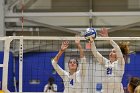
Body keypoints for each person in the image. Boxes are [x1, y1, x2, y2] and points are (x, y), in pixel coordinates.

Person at [89, 28, 129, 93]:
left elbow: (117, 48)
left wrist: (108, 38)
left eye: (113, 52)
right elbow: (95, 53)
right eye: (110, 51)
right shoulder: (106, 62)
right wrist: (92, 42)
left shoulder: (120, 62)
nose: (110, 53)